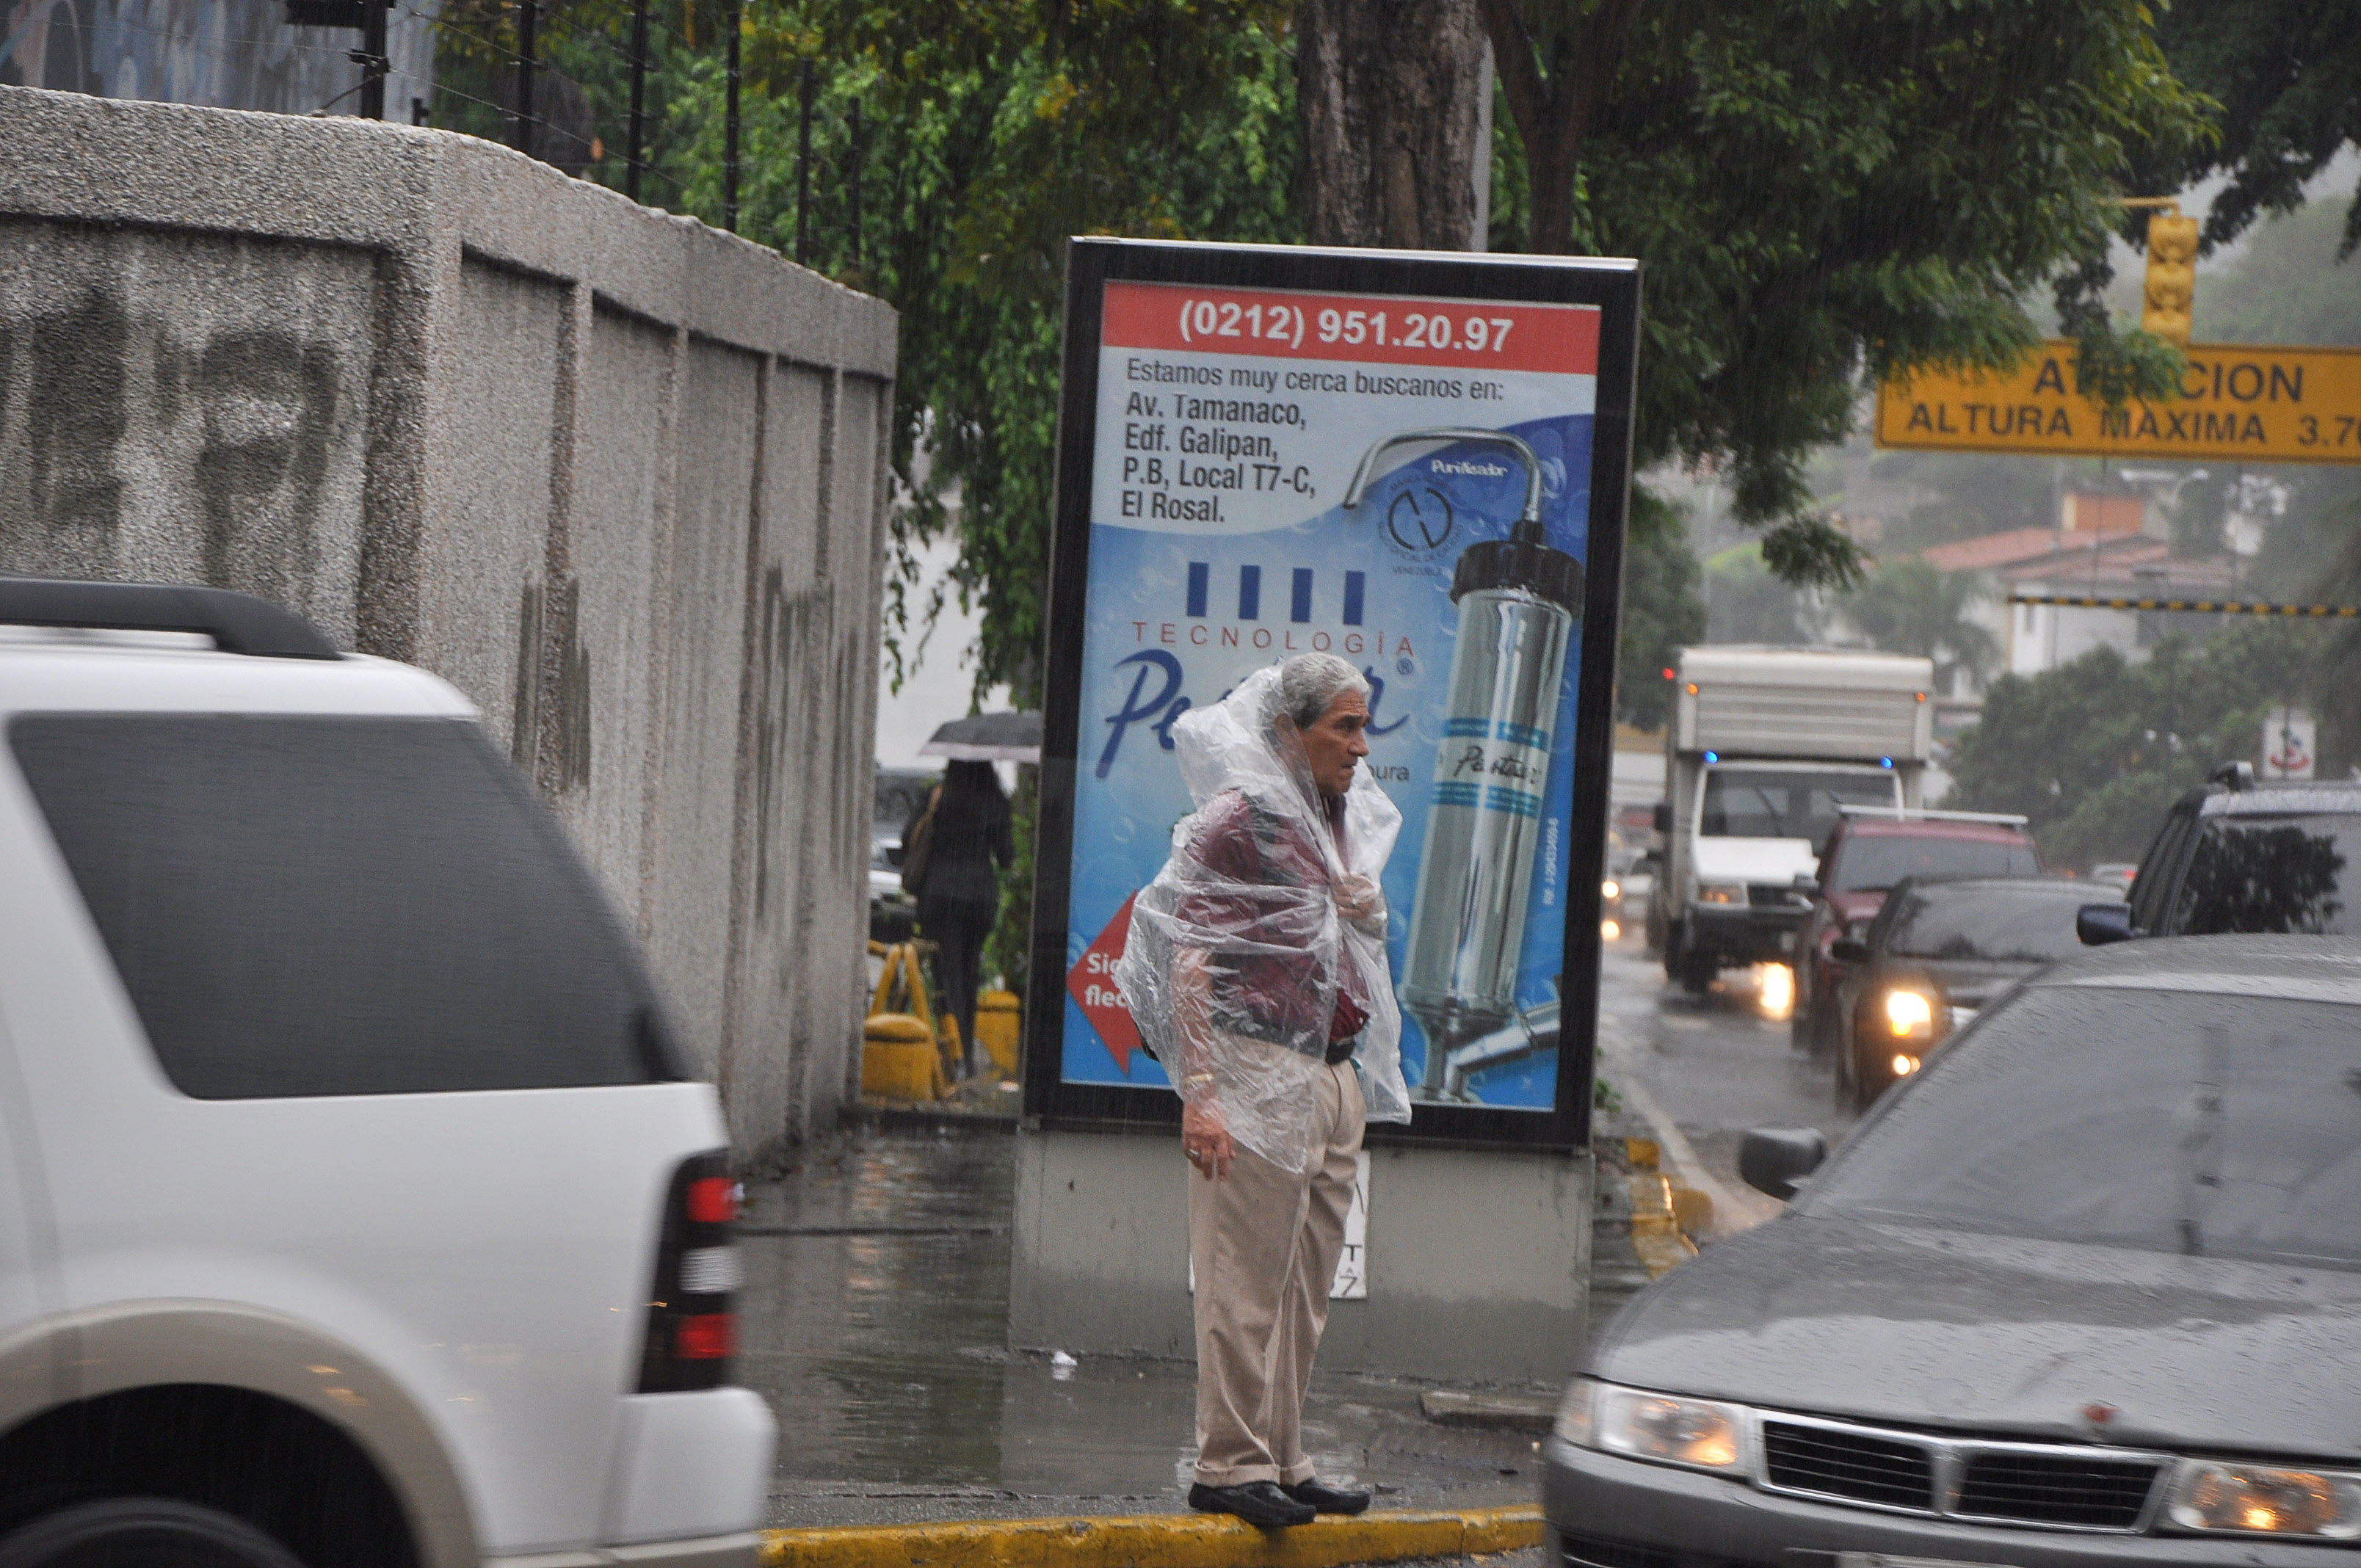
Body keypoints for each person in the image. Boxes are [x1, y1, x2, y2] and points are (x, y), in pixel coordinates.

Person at [1116, 653, 1411, 1529]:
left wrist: (1367, 915)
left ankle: (1283, 1457)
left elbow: (1348, 943)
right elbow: (1183, 954)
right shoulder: (1237, 822)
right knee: (1242, 1280)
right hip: (1254, 1069)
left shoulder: (1338, 819)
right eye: (1344, 728)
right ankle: (1228, 1464)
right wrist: (1201, 1093)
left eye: (1365, 727)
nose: (1361, 746)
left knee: (1303, 1286)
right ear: (1289, 732)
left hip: (1331, 1069)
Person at [903, 760, 1013, 1072]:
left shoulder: (938, 795)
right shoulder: (994, 799)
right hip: (979, 898)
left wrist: (936, 816)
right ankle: (964, 1053)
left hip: (940, 897)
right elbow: (1006, 858)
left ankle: (955, 1058)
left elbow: (906, 837)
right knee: (968, 975)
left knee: (947, 976)